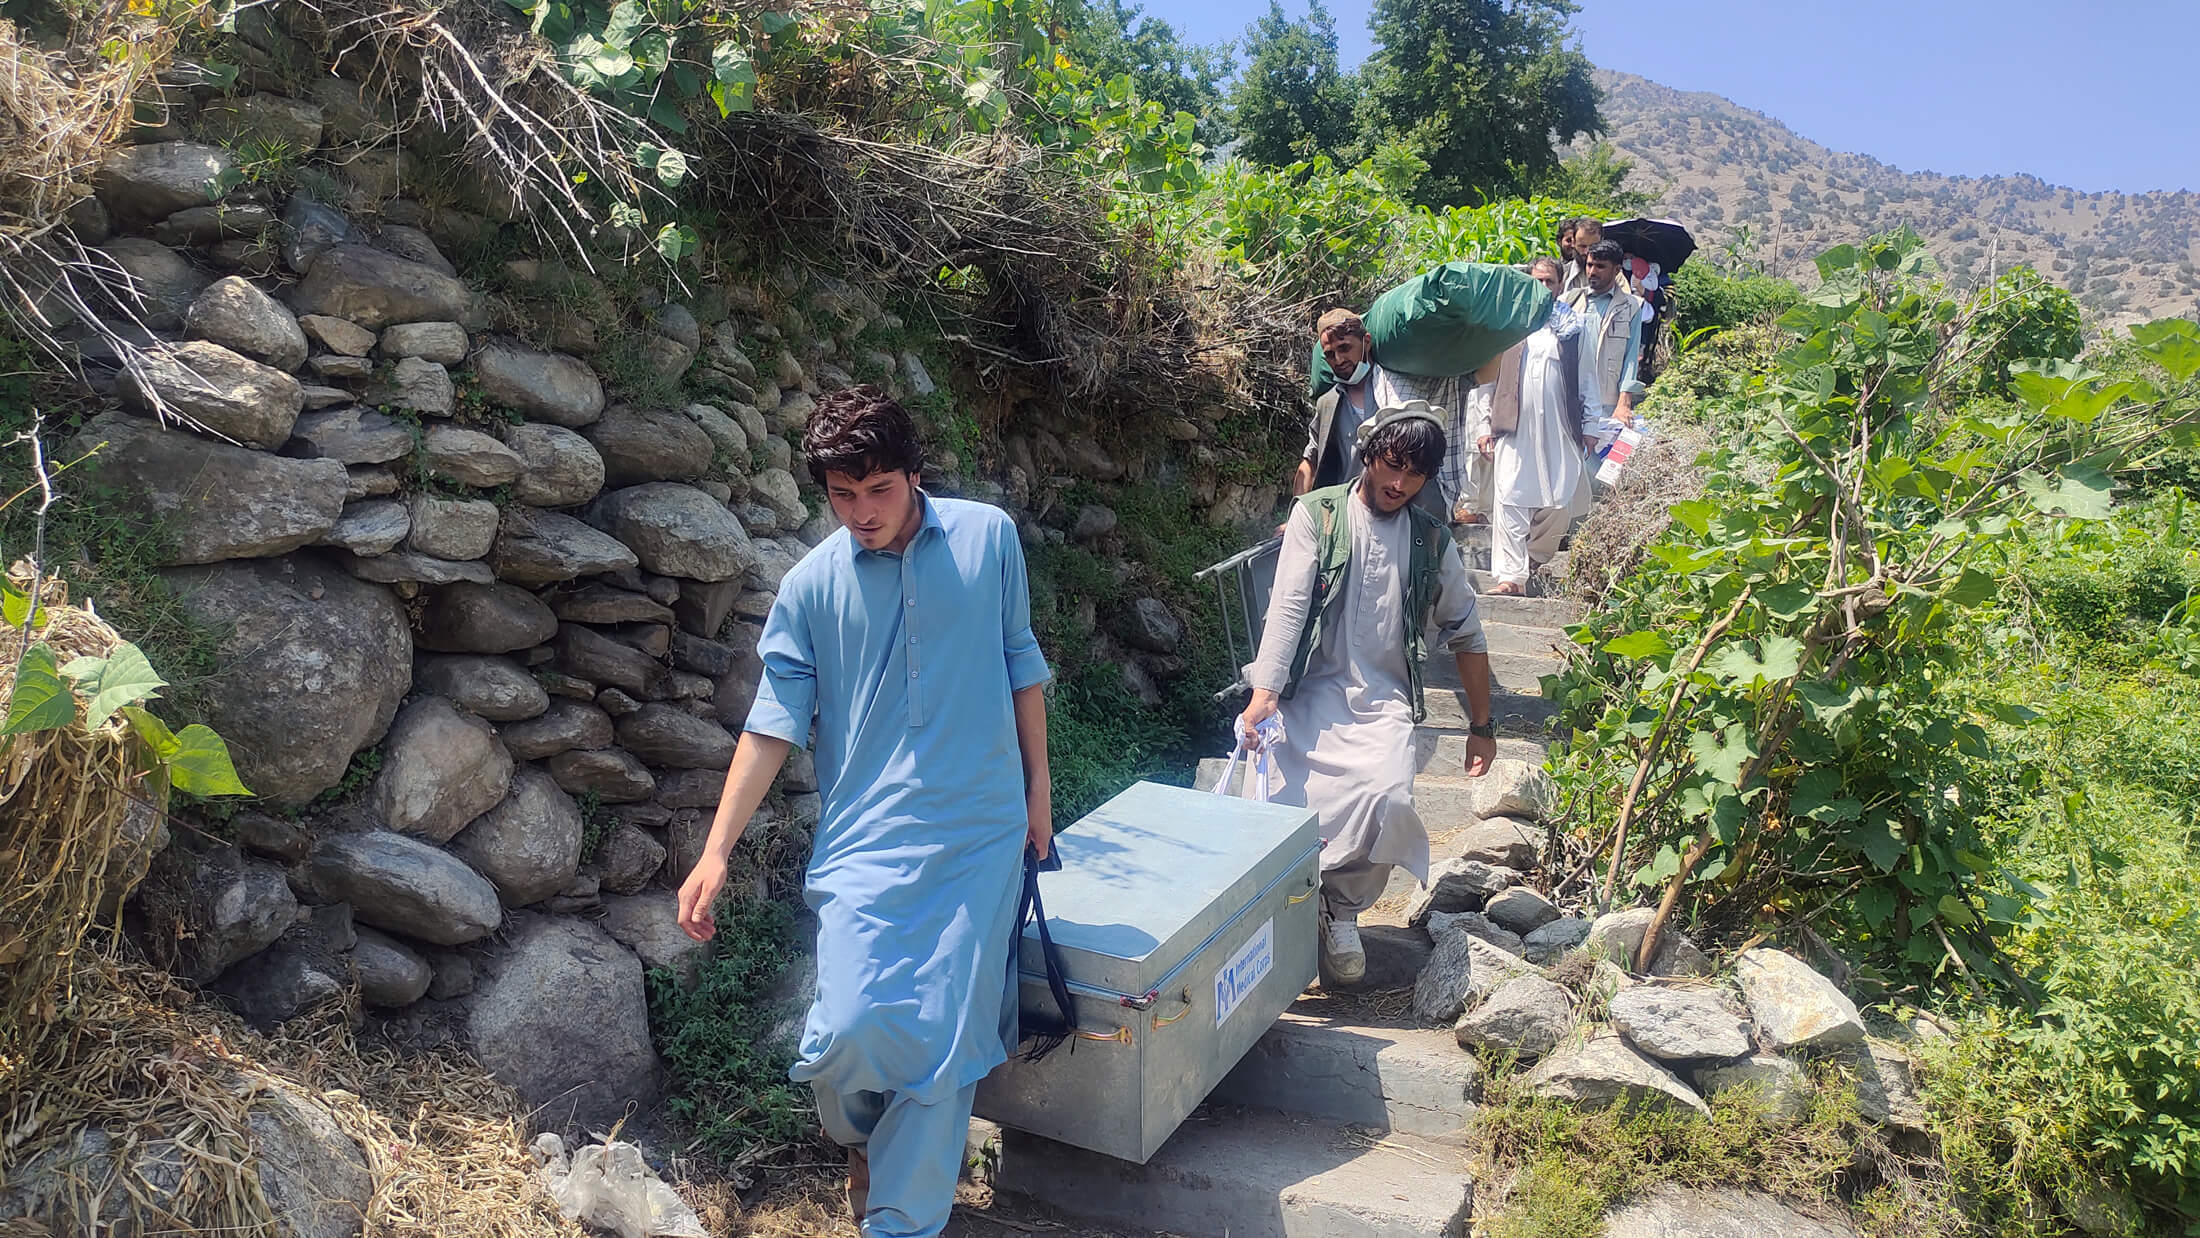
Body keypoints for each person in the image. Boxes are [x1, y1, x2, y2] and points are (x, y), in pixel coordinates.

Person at [677, 386, 1054, 1238]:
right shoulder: (812, 585)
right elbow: (772, 723)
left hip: (979, 829)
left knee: (943, 1044)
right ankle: (860, 1139)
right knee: (847, 1029)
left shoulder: (988, 538)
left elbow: (1018, 660)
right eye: (842, 496)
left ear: (914, 475)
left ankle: (900, 1221)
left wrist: (1039, 792)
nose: (861, 513)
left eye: (877, 490)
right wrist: (715, 852)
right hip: (863, 839)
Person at [1239, 405, 1498, 986]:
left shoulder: (1432, 540)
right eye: (1392, 466)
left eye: (1415, 475)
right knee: (1287, 806)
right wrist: (1266, 692)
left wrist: (1482, 724)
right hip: (1307, 692)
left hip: (1384, 701)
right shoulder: (1319, 515)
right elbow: (1287, 608)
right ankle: (1296, 916)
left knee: (1388, 795)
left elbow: (1466, 629)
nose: (1399, 484)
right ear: (1369, 452)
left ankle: (1344, 911)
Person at [1469, 258, 1594, 597]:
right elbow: (1486, 383)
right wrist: (1483, 426)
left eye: (1549, 282)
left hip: (1560, 430)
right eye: (1536, 281)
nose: (1542, 288)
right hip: (1513, 428)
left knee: (1560, 501)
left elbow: (1587, 379)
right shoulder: (1508, 326)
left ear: (1559, 285)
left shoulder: (1573, 328)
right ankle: (1510, 578)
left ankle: (1535, 558)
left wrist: (1592, 424)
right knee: (1509, 497)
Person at [1560, 239, 1647, 433]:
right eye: (1590, 265)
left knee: (1599, 460)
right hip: (1568, 396)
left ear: (1616, 270)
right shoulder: (1568, 301)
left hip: (1606, 401)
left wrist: (1624, 402)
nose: (1592, 271)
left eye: (1600, 266)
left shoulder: (1631, 307)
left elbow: (1631, 358)